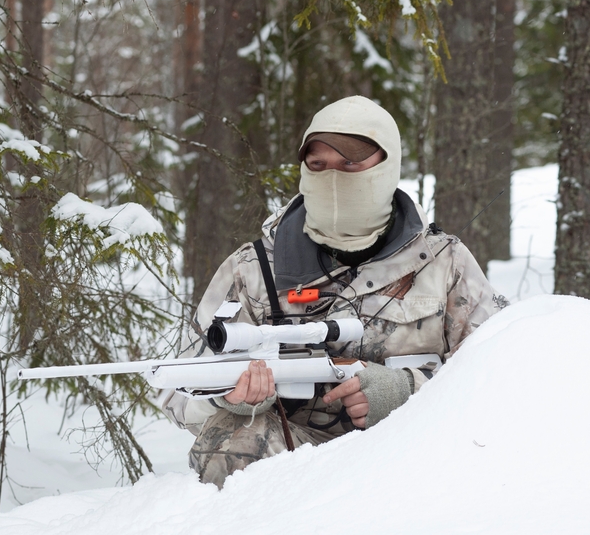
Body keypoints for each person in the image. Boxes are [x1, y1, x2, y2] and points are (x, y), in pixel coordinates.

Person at [162, 96, 508, 488]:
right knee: (226, 442)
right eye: (318, 165)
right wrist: (228, 395)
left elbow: (503, 377)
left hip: (420, 459)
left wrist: (407, 391)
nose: (334, 177)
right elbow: (177, 396)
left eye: (351, 164)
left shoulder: (444, 263)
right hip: (300, 471)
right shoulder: (254, 270)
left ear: (386, 166)